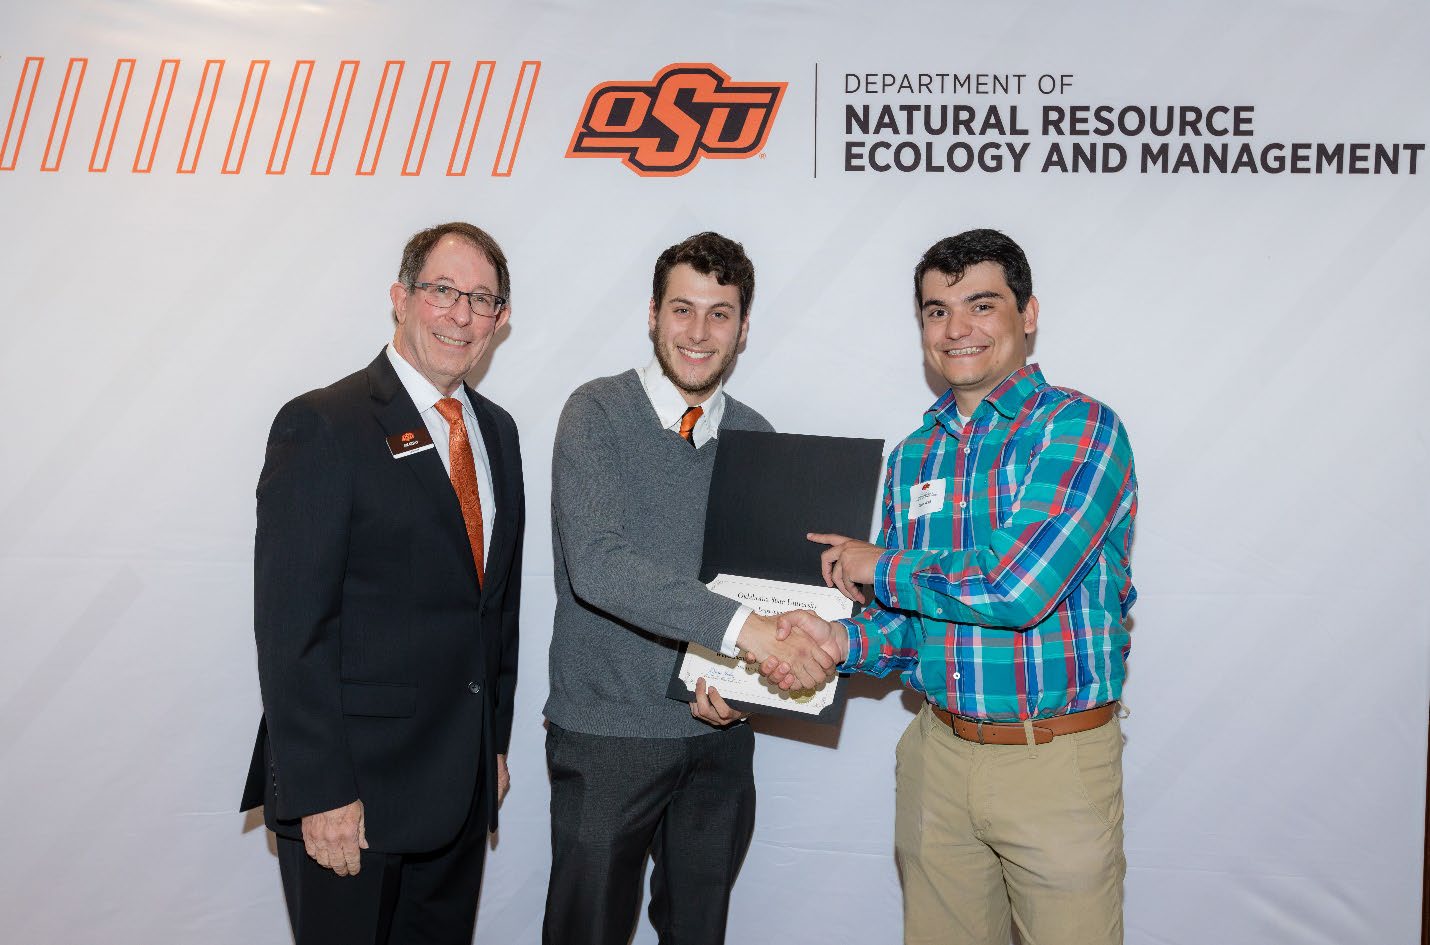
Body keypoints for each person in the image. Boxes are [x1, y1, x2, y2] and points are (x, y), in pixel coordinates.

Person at [771, 229, 1138, 945]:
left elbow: (1017, 588)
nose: (957, 328)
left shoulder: (1080, 428)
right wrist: (839, 638)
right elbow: (912, 624)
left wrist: (879, 565)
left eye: (981, 304)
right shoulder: (915, 455)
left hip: (1053, 764)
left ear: (1027, 314)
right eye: (937, 311)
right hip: (938, 756)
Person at [542, 231, 835, 945]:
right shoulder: (597, 412)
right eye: (682, 309)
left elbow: (767, 590)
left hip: (719, 736)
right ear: (652, 313)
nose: (699, 333)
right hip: (608, 736)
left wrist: (748, 681)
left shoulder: (757, 436)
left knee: (699, 933)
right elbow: (600, 565)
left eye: (720, 313)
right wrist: (747, 633)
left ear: (742, 328)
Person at [240, 222, 525, 945]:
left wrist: (492, 742)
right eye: (444, 291)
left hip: (456, 793)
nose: (462, 314)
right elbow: (291, 630)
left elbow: (493, 607)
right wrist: (323, 790)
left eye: (482, 299)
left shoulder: (498, 433)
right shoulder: (324, 424)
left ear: (501, 320)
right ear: (400, 299)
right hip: (352, 801)